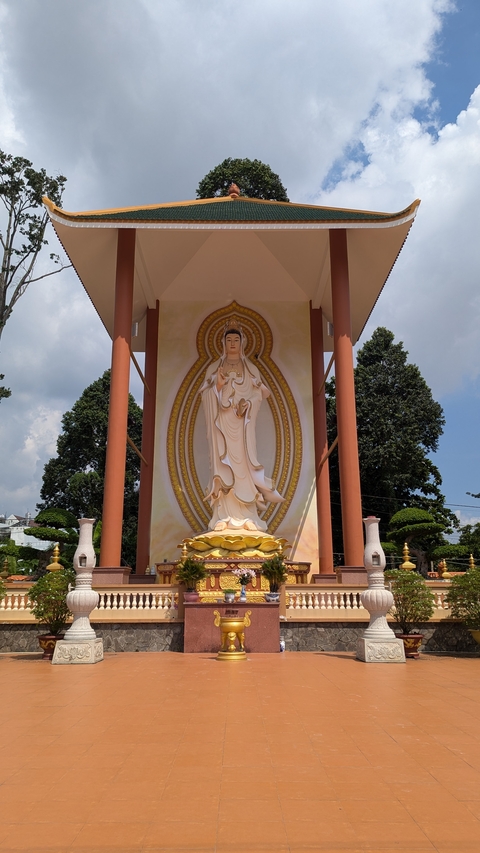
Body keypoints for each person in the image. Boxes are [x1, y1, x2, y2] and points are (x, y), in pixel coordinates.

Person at [200, 326, 284, 532]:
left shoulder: (250, 369)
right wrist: (218, 388)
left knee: (244, 469)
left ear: (242, 342)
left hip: (243, 426)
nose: (232, 343)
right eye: (228, 339)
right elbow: (205, 395)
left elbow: (260, 395)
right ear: (223, 343)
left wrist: (248, 404)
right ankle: (222, 516)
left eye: (236, 339)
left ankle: (249, 517)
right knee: (222, 467)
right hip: (222, 428)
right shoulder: (214, 367)